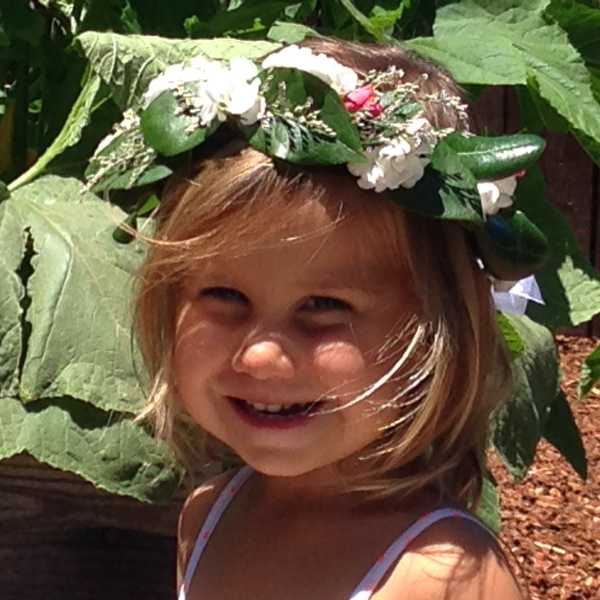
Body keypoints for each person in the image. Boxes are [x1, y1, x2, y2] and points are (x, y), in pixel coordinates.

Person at [121, 37, 538, 599]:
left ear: (435, 330)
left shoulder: (440, 577)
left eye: (322, 307)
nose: (260, 355)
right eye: (224, 295)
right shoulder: (206, 516)